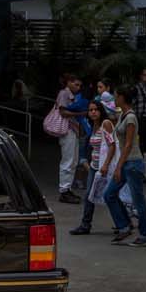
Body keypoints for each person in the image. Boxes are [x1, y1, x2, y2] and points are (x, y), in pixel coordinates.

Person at [104, 87, 146, 247]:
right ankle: (124, 225)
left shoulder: (130, 118)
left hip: (132, 163)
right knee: (109, 194)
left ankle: (145, 235)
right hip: (126, 163)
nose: (115, 99)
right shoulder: (122, 115)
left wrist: (118, 167)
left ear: (123, 97)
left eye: (116, 96)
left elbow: (129, 144)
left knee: (138, 201)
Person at [71, 100, 117, 236]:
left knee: (111, 195)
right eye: (90, 110)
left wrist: (106, 165)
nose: (93, 112)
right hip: (94, 167)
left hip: (104, 167)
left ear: (100, 111)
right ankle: (85, 225)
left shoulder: (105, 124)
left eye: (95, 109)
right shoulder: (93, 126)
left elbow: (112, 145)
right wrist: (87, 163)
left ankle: (124, 222)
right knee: (89, 196)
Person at [54, 75, 88, 204]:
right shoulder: (64, 94)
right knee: (68, 160)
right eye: (76, 84)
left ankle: (67, 188)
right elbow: (63, 112)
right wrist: (80, 113)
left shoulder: (72, 95)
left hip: (72, 129)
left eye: (79, 85)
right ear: (69, 83)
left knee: (73, 160)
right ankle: (64, 190)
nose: (78, 87)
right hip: (67, 129)